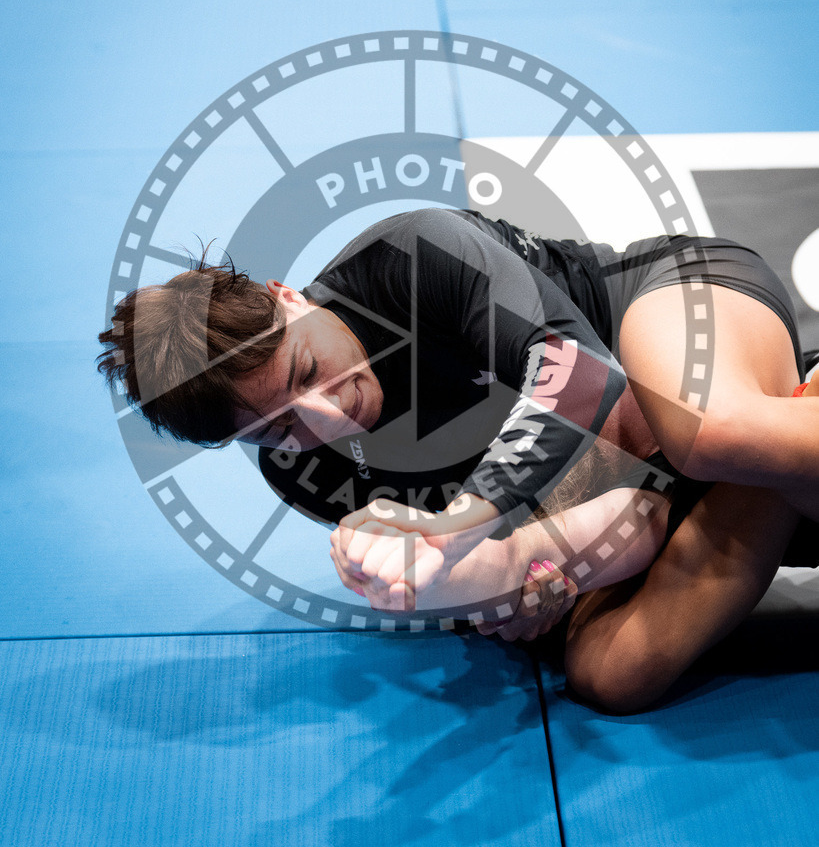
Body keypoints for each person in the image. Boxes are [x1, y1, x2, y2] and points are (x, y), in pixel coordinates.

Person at [97, 207, 817, 704]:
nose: (321, 419)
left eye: (305, 372)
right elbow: (520, 559)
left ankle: (764, 445)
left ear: (285, 297)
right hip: (627, 481)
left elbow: (584, 374)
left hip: (662, 314)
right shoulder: (305, 474)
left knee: (709, 434)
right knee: (610, 674)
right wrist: (524, 584)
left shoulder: (410, 255)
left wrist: (470, 524)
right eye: (274, 431)